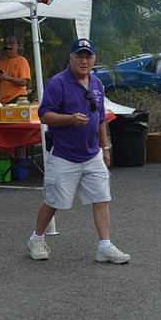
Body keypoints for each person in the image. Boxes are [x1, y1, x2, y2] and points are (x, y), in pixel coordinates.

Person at [27, 38, 130, 264]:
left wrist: (105, 148)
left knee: (102, 197)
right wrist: (69, 119)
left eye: (88, 57)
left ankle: (104, 246)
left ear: (93, 60)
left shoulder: (96, 83)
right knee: (54, 200)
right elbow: (44, 115)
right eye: (79, 57)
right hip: (64, 154)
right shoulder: (58, 83)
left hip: (92, 153)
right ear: (71, 59)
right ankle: (36, 238)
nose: (84, 61)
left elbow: (101, 118)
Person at [0, 35, 32, 160]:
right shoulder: (2, 62)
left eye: (10, 48)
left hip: (17, 98)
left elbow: (24, 82)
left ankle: (21, 157)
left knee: (19, 130)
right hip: (3, 99)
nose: (8, 51)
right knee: (5, 130)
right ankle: (9, 156)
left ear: (16, 46)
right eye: (6, 49)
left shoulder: (22, 61)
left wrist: (8, 78)